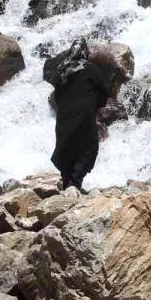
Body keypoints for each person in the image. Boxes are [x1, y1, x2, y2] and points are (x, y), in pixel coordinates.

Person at [51, 39, 118, 190]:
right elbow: (104, 92)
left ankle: (67, 181)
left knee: (66, 146)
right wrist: (97, 104)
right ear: (85, 52)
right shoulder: (90, 69)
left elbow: (56, 96)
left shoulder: (61, 70)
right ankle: (75, 182)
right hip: (84, 115)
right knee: (89, 147)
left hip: (63, 118)